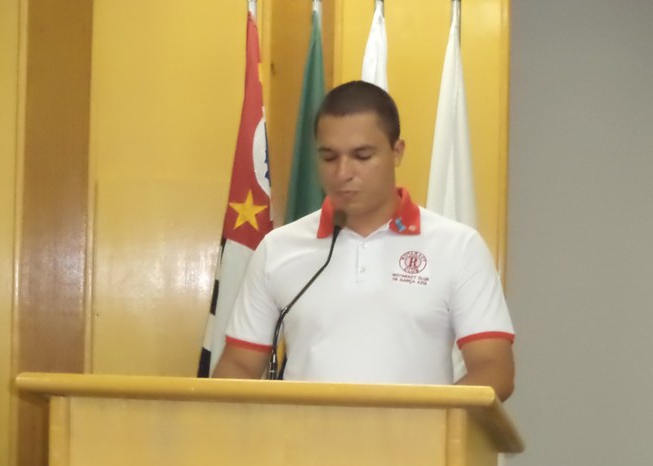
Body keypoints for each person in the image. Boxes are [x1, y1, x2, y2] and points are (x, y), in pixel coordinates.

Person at [212, 80, 514, 400]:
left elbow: (494, 369)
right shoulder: (278, 248)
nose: (343, 172)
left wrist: (428, 420)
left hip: (418, 433)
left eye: (362, 155)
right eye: (329, 157)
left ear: (397, 152)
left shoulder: (458, 247)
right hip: (301, 433)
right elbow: (239, 365)